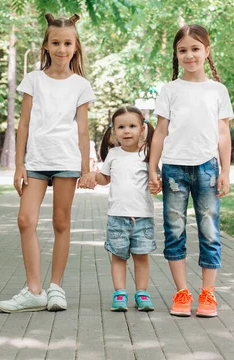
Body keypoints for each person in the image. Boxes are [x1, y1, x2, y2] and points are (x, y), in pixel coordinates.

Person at [0, 13, 96, 313]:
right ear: (46, 46)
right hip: (36, 161)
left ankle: (55, 288)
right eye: (56, 42)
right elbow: (23, 124)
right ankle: (34, 290)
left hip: (66, 160)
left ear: (76, 47)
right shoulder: (33, 80)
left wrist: (86, 167)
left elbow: (82, 129)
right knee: (25, 220)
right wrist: (19, 165)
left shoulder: (81, 85)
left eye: (67, 43)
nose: (61, 49)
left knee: (61, 223)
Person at [148, 24, 234, 318]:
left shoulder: (217, 90)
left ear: (207, 51)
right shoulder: (170, 90)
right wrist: (152, 168)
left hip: (207, 167)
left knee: (209, 230)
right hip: (174, 169)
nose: (189, 55)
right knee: (174, 230)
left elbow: (224, 134)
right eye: (183, 50)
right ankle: (181, 292)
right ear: (176, 54)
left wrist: (225, 171)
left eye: (195, 49)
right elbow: (160, 132)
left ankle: (208, 294)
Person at [93, 106, 158, 312]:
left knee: (141, 257)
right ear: (114, 131)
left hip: (143, 217)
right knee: (118, 257)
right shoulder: (113, 154)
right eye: (121, 127)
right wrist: (90, 176)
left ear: (142, 129)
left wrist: (158, 185)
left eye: (132, 126)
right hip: (117, 217)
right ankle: (120, 293)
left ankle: (142, 293)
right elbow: (104, 179)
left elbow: (156, 180)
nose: (127, 131)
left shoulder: (148, 154)